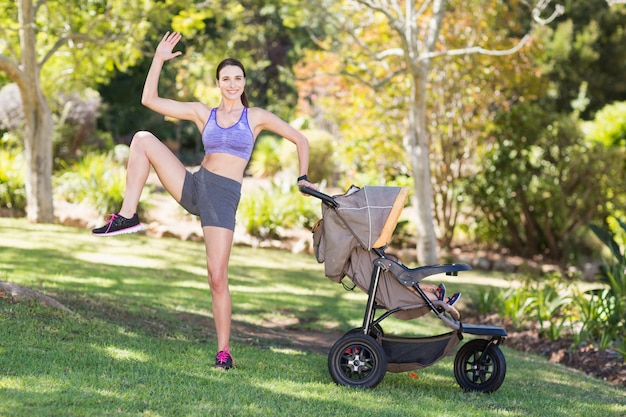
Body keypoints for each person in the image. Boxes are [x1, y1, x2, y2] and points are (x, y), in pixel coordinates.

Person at [92, 31, 318, 370]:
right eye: (226, 78)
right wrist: (158, 59)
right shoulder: (203, 113)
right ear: (218, 83)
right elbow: (149, 100)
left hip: (223, 200)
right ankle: (128, 215)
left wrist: (302, 176)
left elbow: (300, 139)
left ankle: (224, 351)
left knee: (216, 275)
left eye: (237, 78)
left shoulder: (254, 116)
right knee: (142, 139)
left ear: (243, 82)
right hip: (195, 185)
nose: (232, 83)